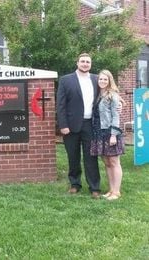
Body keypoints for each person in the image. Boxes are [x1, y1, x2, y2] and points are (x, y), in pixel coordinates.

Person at [56, 53, 101, 198]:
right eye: (83, 61)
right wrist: (62, 124)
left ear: (91, 64)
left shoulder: (96, 79)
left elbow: (108, 93)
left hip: (90, 124)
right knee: (73, 156)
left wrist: (119, 103)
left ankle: (94, 187)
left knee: (91, 157)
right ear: (77, 63)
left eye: (88, 62)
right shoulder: (66, 80)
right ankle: (75, 184)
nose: (85, 64)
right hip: (70, 125)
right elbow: (60, 104)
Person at [90, 70, 125, 200]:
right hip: (98, 132)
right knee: (106, 162)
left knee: (114, 161)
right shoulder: (99, 95)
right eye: (101, 79)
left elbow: (116, 116)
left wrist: (114, 135)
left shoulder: (113, 96)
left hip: (110, 132)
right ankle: (111, 190)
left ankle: (116, 192)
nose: (103, 81)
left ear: (110, 81)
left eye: (105, 79)